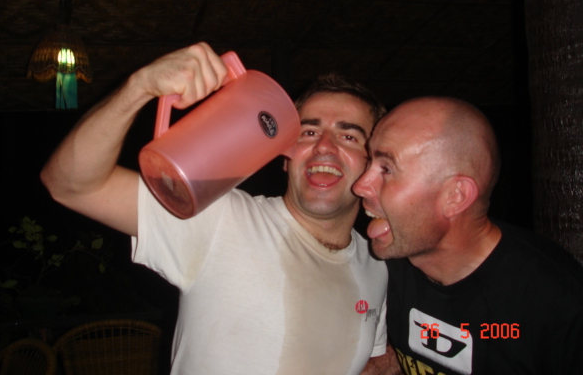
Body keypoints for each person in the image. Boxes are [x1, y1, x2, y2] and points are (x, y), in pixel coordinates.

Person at [41, 42, 389, 375]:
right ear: (284, 155)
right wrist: (140, 87)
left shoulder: (377, 265)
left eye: (348, 136)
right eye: (308, 133)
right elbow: (71, 185)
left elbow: (371, 360)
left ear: (373, 164)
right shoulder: (220, 220)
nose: (323, 147)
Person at [354, 96, 583, 375]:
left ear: (455, 196)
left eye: (386, 169)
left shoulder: (558, 304)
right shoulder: (388, 267)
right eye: (369, 164)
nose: (361, 186)